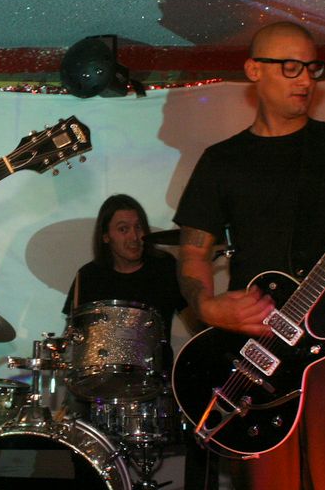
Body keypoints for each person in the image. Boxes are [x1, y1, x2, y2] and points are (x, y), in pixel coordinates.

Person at [173, 21, 325, 490]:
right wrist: (208, 308)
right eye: (289, 67)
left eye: (311, 68)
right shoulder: (222, 161)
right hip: (256, 357)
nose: (305, 79)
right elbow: (192, 253)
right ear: (253, 71)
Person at [61, 193, 214, 490]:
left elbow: (196, 322)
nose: (134, 236)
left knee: (204, 421)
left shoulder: (165, 267)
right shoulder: (88, 276)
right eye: (123, 229)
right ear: (106, 236)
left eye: (138, 227)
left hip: (155, 383)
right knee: (75, 430)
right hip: (101, 390)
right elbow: (74, 338)